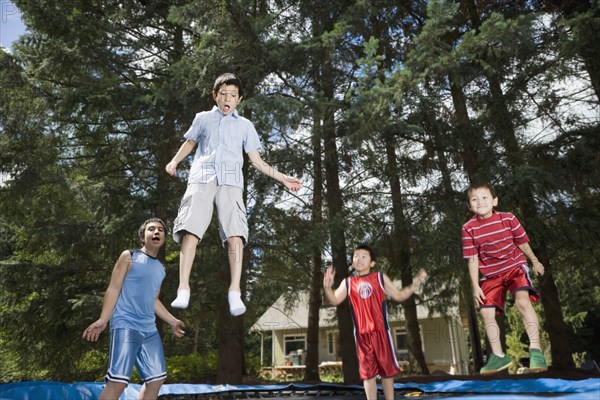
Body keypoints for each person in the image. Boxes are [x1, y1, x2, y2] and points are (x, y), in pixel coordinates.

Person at [166, 72, 302, 315]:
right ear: (215, 95)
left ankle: (235, 291)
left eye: (233, 95)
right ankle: (183, 288)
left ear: (239, 99)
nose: (227, 98)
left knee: (236, 235)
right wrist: (175, 161)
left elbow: (257, 161)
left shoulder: (245, 126)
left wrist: (282, 177)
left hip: (231, 182)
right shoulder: (203, 118)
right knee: (190, 231)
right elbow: (190, 142)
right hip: (202, 177)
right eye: (223, 94)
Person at [82, 218, 185, 400]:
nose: (156, 232)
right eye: (151, 229)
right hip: (126, 324)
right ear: (142, 236)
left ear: (164, 238)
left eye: (161, 230)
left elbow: (153, 300)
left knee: (156, 380)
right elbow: (114, 288)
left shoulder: (161, 268)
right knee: (118, 382)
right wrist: (103, 319)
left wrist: (172, 320)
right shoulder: (129, 256)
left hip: (149, 329)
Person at [462, 183, 548, 374]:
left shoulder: (508, 218)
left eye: (485, 197)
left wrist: (535, 261)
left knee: (523, 302)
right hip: (491, 274)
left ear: (494, 201)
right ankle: (499, 356)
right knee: (486, 312)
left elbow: (523, 243)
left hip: (515, 267)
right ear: (470, 206)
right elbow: (473, 259)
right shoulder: (469, 228)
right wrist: (475, 286)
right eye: (474, 199)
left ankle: (536, 350)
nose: (480, 202)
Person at [323, 244, 427, 400]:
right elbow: (335, 299)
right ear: (352, 262)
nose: (359, 259)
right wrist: (327, 287)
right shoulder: (349, 282)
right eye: (356, 256)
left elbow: (398, 295)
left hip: (381, 332)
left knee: (387, 372)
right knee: (368, 375)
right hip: (362, 335)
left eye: (364, 256)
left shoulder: (379, 277)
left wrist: (416, 282)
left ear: (372, 262)